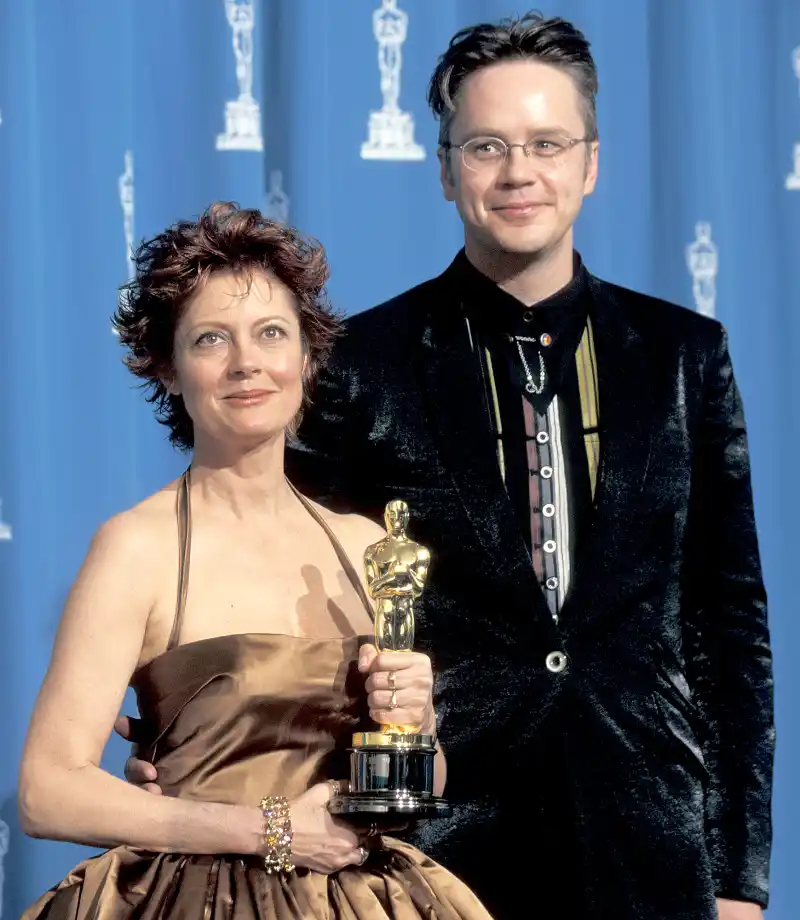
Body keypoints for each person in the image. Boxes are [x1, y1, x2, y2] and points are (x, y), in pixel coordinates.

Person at [122, 11, 776, 920]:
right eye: (487, 146)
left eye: (547, 143)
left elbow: (726, 619)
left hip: (648, 846)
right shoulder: (361, 364)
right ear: (443, 168)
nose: (519, 172)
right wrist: (189, 740)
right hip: (433, 855)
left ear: (591, 163)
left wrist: (737, 876)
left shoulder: (681, 354)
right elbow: (275, 573)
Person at [17, 203, 494, 920]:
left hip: (366, 900)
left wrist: (416, 727)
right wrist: (273, 831)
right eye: (212, 339)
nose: (247, 363)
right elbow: (46, 790)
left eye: (272, 333)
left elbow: (418, 782)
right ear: (169, 370)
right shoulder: (138, 547)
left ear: (306, 357)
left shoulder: (369, 546)